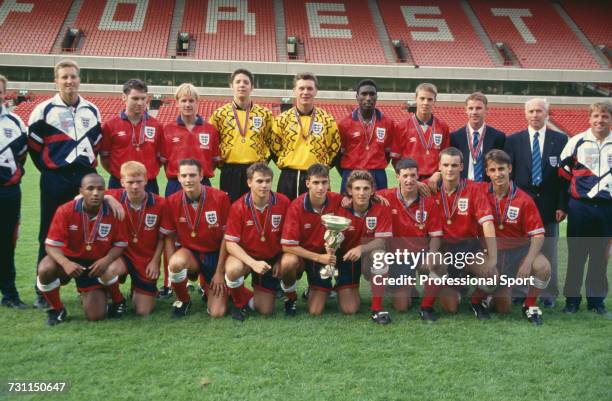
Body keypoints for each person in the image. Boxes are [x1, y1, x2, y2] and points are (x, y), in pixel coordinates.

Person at [28, 59, 102, 309]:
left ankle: (86, 285)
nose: (70, 81)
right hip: (55, 179)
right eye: (64, 77)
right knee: (48, 233)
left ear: (80, 79)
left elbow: (96, 145)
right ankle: (43, 289)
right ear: (56, 81)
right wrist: (53, 171)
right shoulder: (43, 110)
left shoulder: (91, 110)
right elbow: (35, 150)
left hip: (84, 181)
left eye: (73, 76)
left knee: (85, 231)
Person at [36, 174, 128, 326]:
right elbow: (51, 245)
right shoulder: (65, 210)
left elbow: (120, 244)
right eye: (90, 189)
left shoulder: (113, 211)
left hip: (95, 264)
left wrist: (106, 260)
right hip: (69, 260)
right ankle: (57, 309)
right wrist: (65, 263)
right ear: (81, 191)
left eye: (100, 189)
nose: (95, 193)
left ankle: (116, 298)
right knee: (45, 268)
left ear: (105, 192)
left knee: (96, 316)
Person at [504, 98, 568, 308]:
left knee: (549, 250)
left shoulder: (560, 140)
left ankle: (548, 293)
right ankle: (520, 291)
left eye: (539, 111)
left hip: (550, 208)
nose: (535, 115)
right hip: (521, 208)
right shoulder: (513, 140)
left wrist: (561, 205)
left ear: (547, 114)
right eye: (531, 111)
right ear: (525, 114)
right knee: (521, 250)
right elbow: (509, 177)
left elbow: (564, 178)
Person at [426, 147, 497, 321]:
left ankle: (476, 300)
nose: (449, 169)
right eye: (446, 165)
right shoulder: (428, 190)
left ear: (461, 167)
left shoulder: (473, 190)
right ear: (439, 167)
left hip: (468, 249)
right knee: (450, 308)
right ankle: (434, 299)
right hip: (443, 249)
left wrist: (492, 257)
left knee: (492, 276)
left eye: (454, 165)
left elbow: (487, 224)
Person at [483, 150, 550, 325]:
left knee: (542, 267)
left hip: (519, 252)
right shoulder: (480, 193)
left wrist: (528, 262)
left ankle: (530, 305)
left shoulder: (524, 199)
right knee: (503, 308)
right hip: (494, 253)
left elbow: (538, 234)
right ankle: (487, 294)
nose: (498, 174)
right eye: (493, 170)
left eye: (501, 169)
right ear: (487, 172)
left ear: (510, 169)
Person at [559, 101, 612, 317]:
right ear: (589, 119)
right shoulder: (576, 141)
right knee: (577, 256)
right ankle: (571, 301)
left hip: (607, 208)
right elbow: (563, 176)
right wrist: (563, 206)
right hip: (580, 207)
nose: (600, 120)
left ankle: (597, 301)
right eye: (596, 116)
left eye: (605, 116)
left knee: (600, 256)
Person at [159, 159, 231, 318]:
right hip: (190, 255)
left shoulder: (220, 198)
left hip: (215, 255)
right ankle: (183, 300)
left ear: (201, 175)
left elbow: (227, 237)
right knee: (176, 262)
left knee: (217, 313)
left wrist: (219, 272)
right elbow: (169, 238)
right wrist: (173, 270)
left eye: (192, 175)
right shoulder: (172, 201)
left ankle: (209, 286)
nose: (188, 180)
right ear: (178, 177)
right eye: (184, 175)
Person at [376, 158, 443, 319]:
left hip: (421, 254)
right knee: (401, 306)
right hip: (398, 257)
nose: (409, 180)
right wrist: (363, 197)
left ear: (418, 176)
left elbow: (435, 236)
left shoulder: (429, 201)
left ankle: (426, 307)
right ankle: (405, 287)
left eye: (413, 176)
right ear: (397, 176)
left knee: (440, 261)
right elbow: (361, 194)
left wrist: (433, 253)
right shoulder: (385, 196)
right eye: (405, 176)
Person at [224, 163, 291, 320]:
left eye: (268, 181)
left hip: (270, 259)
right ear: (249, 183)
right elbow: (231, 244)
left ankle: (248, 294)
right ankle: (238, 303)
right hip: (246, 257)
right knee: (233, 269)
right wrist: (253, 263)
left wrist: (280, 259)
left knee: (265, 310)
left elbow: (289, 237)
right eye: (259, 181)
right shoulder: (238, 206)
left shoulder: (283, 202)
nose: (264, 185)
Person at [280, 163, 344, 315]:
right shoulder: (296, 206)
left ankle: (314, 289)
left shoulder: (337, 200)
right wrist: (319, 257)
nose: (320, 187)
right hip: (303, 255)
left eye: (324, 182)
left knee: (315, 311)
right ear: (307, 183)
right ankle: (290, 297)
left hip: (323, 257)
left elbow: (360, 198)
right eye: (316, 183)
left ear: (329, 183)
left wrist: (376, 196)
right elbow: (287, 246)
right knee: (288, 262)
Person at [105, 161, 165, 316]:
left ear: (146, 180)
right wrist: (108, 199)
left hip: (145, 260)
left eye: (139, 182)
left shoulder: (160, 203)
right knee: (109, 269)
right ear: (122, 182)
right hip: (122, 255)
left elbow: (162, 237)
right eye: (130, 182)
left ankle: (137, 289)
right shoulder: (114, 196)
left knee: (143, 311)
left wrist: (155, 261)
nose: (135, 186)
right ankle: (117, 299)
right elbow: (81, 196)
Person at [333, 170, 393, 323]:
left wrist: (360, 249)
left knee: (380, 255)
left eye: (366, 188)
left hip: (367, 258)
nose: (361, 193)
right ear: (349, 191)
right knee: (349, 309)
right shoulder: (340, 209)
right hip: (346, 261)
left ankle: (376, 308)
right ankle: (343, 288)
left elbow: (382, 241)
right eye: (357, 189)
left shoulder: (381, 208)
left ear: (372, 190)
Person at [270, 72, 340, 200]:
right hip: (288, 178)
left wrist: (322, 168)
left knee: (317, 217)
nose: (305, 92)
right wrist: (288, 161)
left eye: (309, 88)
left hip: (318, 178)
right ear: (294, 91)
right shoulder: (282, 119)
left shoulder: (327, 120)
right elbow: (274, 148)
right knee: (287, 216)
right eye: (301, 88)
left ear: (316, 91)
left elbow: (335, 149)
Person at [209, 69, 274, 202]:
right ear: (231, 86)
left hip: (256, 170)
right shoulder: (220, 114)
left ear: (252, 87)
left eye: (246, 82)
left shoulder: (265, 114)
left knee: (255, 208)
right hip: (229, 170)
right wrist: (220, 162)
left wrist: (263, 162)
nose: (242, 85)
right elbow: (212, 141)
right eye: (238, 82)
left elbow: (271, 141)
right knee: (230, 209)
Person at [100, 79, 164, 194]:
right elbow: (105, 159)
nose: (140, 103)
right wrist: (121, 175)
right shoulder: (110, 125)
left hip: (148, 184)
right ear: (124, 97)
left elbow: (159, 159)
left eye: (143, 98)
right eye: (135, 98)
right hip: (119, 183)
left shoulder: (157, 125)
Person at [337, 79, 398, 192]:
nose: (368, 98)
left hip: (377, 174)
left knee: (378, 208)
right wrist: (349, 171)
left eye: (372, 94)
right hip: (351, 172)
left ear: (376, 97)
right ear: (357, 96)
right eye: (364, 94)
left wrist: (374, 164)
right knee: (348, 208)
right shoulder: (344, 124)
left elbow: (387, 153)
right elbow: (340, 154)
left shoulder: (388, 123)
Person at [161, 83, 220, 196]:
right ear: (177, 103)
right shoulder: (168, 129)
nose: (187, 104)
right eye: (183, 101)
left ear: (197, 102)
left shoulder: (210, 129)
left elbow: (214, 161)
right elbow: (163, 160)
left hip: (203, 183)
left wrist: (199, 174)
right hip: (175, 184)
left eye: (191, 101)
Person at [0, 74, 28, 308]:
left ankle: (9, 295)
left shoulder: (16, 123)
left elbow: (22, 157)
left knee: (7, 243)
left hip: (8, 193)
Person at [393, 83, 450, 182]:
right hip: (410, 181)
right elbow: (396, 159)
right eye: (422, 98)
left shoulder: (443, 127)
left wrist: (439, 174)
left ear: (435, 101)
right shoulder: (402, 127)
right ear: (416, 98)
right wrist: (410, 178)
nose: (425, 103)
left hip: (435, 181)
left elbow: (446, 158)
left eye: (430, 99)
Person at [450, 92, 506, 182]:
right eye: (471, 108)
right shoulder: (455, 137)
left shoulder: (498, 137)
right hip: (463, 186)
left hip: (488, 187)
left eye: (478, 108)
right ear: (466, 110)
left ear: (486, 110)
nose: (474, 112)